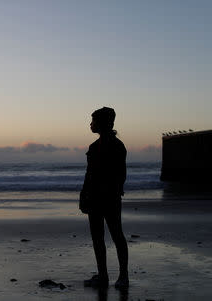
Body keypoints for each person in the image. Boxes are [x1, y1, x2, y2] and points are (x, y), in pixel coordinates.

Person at [80, 107, 129, 289]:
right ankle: (103, 275)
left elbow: (120, 175)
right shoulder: (94, 147)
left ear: (103, 123)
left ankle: (123, 276)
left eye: (93, 120)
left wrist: (111, 192)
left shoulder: (117, 146)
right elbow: (89, 174)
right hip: (94, 198)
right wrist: (83, 195)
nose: (90, 124)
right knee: (98, 237)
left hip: (109, 198)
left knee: (116, 235)